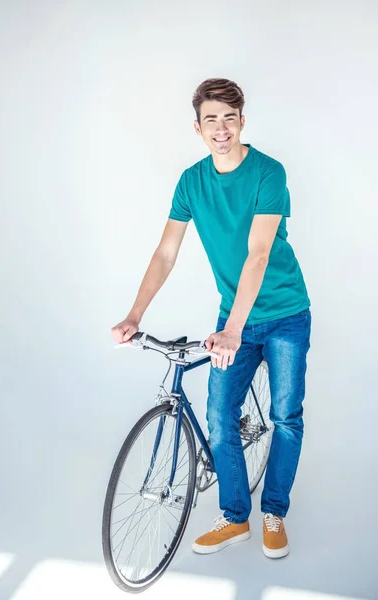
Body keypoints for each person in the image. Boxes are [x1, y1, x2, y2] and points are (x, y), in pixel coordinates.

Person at [111, 78, 312, 559]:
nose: (220, 129)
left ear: (242, 121)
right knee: (220, 419)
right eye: (210, 120)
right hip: (234, 318)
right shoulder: (191, 181)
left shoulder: (268, 172)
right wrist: (134, 315)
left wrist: (234, 329)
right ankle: (235, 516)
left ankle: (274, 512)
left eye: (229, 119)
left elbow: (258, 254)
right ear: (197, 128)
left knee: (286, 417)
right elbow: (165, 253)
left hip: (284, 313)